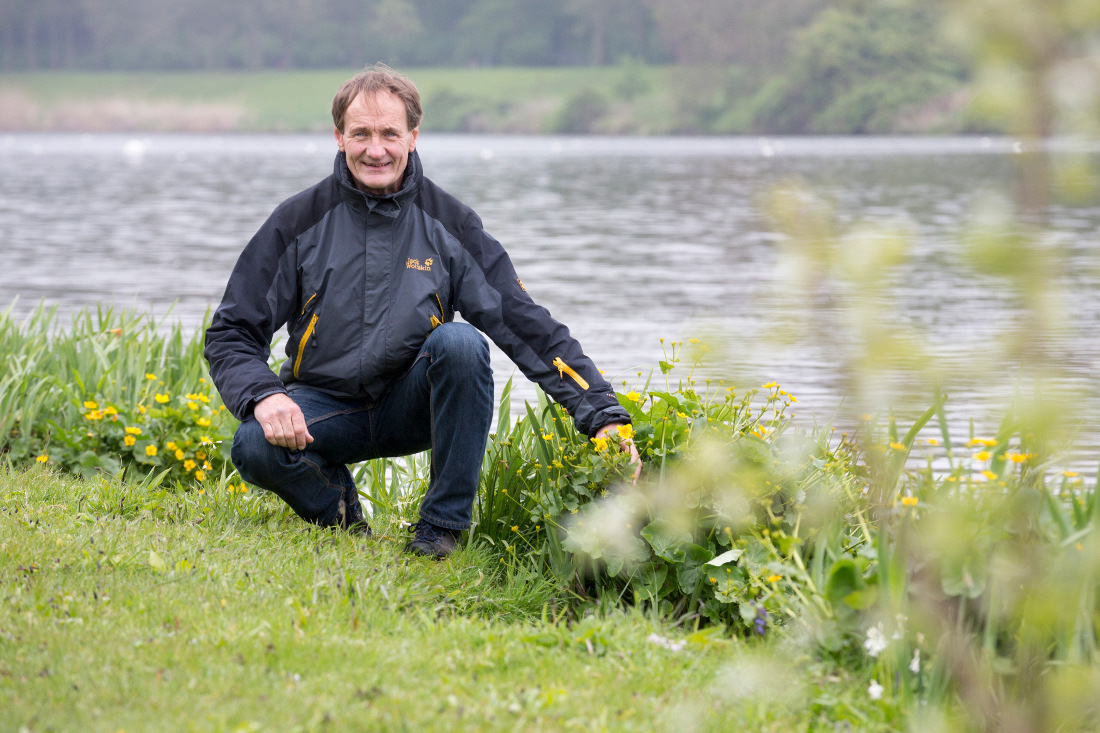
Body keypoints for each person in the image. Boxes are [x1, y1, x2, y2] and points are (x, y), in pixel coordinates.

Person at [204, 64, 638, 559]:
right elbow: (231, 332)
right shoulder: (296, 220)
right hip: (323, 407)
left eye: (390, 133)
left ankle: (440, 531)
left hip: (414, 406)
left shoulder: (451, 223)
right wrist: (264, 396)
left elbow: (524, 324)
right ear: (338, 136)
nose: (375, 149)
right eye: (360, 133)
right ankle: (341, 514)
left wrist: (601, 412)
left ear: (413, 136)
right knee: (253, 444)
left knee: (461, 344)